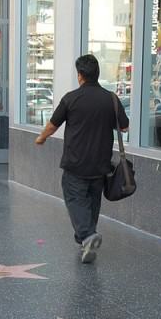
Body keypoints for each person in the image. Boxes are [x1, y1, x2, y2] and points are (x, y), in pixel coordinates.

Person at [35, 54, 129, 264]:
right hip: (101, 164)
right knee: (92, 202)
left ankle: (87, 236)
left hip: (75, 163)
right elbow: (124, 126)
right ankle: (87, 239)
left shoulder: (71, 98)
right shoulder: (111, 98)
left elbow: (53, 124)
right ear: (97, 74)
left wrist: (41, 138)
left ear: (80, 76)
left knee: (75, 200)